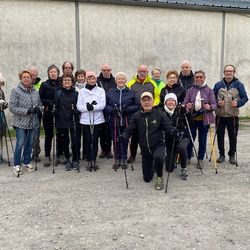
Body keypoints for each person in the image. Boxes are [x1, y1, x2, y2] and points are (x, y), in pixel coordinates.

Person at [118, 92, 174, 190]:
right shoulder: (136, 116)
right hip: (145, 149)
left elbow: (168, 127)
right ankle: (153, 167)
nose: (147, 102)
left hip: (158, 145)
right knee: (147, 178)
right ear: (141, 102)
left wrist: (174, 132)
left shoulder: (159, 114)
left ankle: (160, 177)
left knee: (157, 157)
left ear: (153, 102)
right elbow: (130, 130)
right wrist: (124, 137)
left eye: (149, 100)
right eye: (144, 100)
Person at [9, 70, 42, 176]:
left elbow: (40, 104)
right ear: (21, 79)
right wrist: (27, 111)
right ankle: (17, 164)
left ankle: (26, 162)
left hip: (32, 122)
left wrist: (38, 109)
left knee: (29, 144)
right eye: (24, 77)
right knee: (20, 143)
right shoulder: (16, 91)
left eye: (28, 77)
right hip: (20, 123)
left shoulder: (34, 91)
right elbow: (12, 107)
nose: (27, 79)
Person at [213, 65, 248, 165]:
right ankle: (221, 154)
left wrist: (238, 103)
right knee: (220, 135)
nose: (228, 73)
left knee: (233, 136)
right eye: (226, 71)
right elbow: (212, 97)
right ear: (224, 73)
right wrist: (217, 102)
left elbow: (245, 98)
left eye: (230, 71)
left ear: (234, 72)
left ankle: (232, 155)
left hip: (232, 115)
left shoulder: (239, 85)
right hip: (220, 115)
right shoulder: (218, 85)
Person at [182, 70, 217, 169]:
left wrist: (209, 107)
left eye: (201, 77)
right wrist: (187, 106)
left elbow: (214, 105)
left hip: (204, 120)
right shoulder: (190, 90)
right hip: (192, 119)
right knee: (190, 139)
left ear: (204, 78)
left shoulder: (209, 90)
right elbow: (184, 104)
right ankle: (188, 157)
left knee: (202, 140)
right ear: (194, 78)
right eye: (197, 77)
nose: (199, 79)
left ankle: (200, 159)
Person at [105, 72, 140, 169]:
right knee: (115, 139)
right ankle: (117, 159)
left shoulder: (131, 92)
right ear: (116, 80)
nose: (121, 80)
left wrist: (128, 110)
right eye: (119, 78)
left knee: (124, 139)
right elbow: (105, 105)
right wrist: (112, 110)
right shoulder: (110, 92)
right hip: (114, 120)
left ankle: (124, 158)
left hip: (126, 120)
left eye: (122, 78)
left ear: (125, 80)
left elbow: (137, 105)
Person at [127, 64, 160, 163]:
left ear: (147, 72)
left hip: (150, 113)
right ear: (137, 72)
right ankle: (132, 155)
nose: (142, 73)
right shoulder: (131, 84)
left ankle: (147, 152)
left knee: (149, 134)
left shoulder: (152, 83)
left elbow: (157, 96)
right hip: (137, 114)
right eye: (140, 71)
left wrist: (153, 105)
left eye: (144, 71)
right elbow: (128, 97)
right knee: (135, 136)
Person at [77, 71, 106, 171]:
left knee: (94, 139)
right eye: (89, 78)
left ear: (95, 79)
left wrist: (93, 107)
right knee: (88, 139)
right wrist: (87, 107)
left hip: (97, 119)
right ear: (86, 79)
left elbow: (102, 105)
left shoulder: (101, 91)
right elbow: (79, 106)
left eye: (93, 78)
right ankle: (88, 159)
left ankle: (94, 159)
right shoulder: (82, 92)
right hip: (86, 120)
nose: (91, 80)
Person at [53, 74, 80, 171]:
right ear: (62, 82)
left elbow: (79, 106)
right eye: (65, 80)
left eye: (69, 80)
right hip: (62, 119)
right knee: (65, 141)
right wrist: (54, 111)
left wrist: (76, 111)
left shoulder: (76, 94)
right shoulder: (58, 93)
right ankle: (67, 159)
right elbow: (55, 105)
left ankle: (75, 159)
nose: (67, 81)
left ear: (72, 82)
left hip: (73, 119)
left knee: (75, 141)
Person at [163, 93, 193, 180]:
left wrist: (187, 113)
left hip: (183, 136)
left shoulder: (181, 110)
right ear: (165, 102)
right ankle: (172, 157)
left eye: (172, 100)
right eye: (168, 100)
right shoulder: (162, 113)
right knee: (169, 169)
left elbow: (191, 124)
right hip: (170, 139)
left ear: (175, 102)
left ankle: (184, 168)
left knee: (181, 148)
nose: (170, 102)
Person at [39, 65, 64, 167]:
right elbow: (40, 99)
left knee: (60, 135)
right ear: (48, 74)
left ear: (58, 73)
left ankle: (60, 154)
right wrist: (49, 102)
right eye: (51, 72)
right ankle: (47, 156)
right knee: (49, 135)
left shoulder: (61, 84)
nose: (53, 73)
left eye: (55, 72)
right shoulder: (44, 85)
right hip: (48, 113)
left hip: (59, 113)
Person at [97, 63, 116, 159]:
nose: (106, 72)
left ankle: (109, 150)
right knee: (101, 131)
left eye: (108, 70)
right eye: (104, 70)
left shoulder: (114, 81)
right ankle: (103, 149)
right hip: (100, 109)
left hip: (110, 109)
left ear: (110, 71)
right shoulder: (97, 80)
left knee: (109, 130)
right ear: (101, 71)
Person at [29, 67, 42, 162]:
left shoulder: (41, 84)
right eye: (31, 72)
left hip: (37, 112)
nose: (33, 73)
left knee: (36, 134)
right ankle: (26, 153)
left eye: (35, 72)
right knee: (26, 135)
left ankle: (35, 153)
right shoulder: (25, 83)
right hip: (27, 112)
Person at [74, 69, 86, 160]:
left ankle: (85, 153)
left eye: (82, 76)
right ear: (76, 78)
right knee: (76, 135)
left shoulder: (88, 87)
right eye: (79, 76)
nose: (80, 78)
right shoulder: (74, 87)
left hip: (86, 113)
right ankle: (76, 153)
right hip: (77, 114)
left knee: (86, 135)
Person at [0, 73, 8, 163]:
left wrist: (4, 104)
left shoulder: (1, 91)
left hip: (1, 115)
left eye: (1, 83)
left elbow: (3, 101)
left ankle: (0, 156)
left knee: (1, 135)